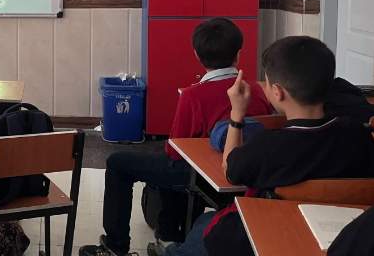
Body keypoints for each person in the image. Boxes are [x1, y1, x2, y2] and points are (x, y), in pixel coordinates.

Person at [80, 18, 273, 256]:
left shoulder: (194, 96)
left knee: (119, 163)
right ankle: (168, 234)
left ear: (196, 55)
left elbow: (174, 150)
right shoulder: (257, 91)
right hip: (247, 178)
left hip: (201, 177)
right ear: (239, 53)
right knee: (162, 165)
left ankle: (115, 246)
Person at [165, 36, 374, 256]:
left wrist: (236, 114)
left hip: (263, 235)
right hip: (335, 236)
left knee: (205, 225)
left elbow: (230, 170)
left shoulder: (267, 147)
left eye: (265, 82)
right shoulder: (358, 135)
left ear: (278, 92)